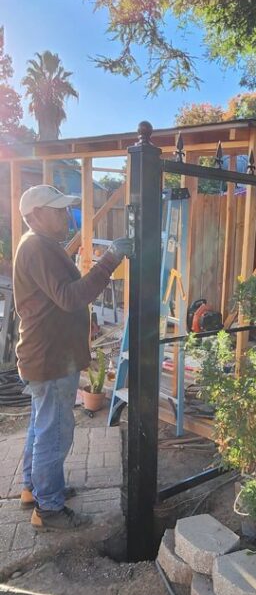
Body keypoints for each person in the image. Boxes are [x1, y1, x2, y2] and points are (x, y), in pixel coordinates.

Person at [13, 184, 133, 531]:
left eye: (66, 209)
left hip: (46, 355)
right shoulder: (38, 247)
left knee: (41, 425)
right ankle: (49, 509)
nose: (66, 215)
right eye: (58, 209)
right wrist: (110, 259)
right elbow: (69, 297)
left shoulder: (40, 244)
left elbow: (59, 298)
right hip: (50, 360)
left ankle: (33, 489)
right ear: (36, 215)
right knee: (56, 432)